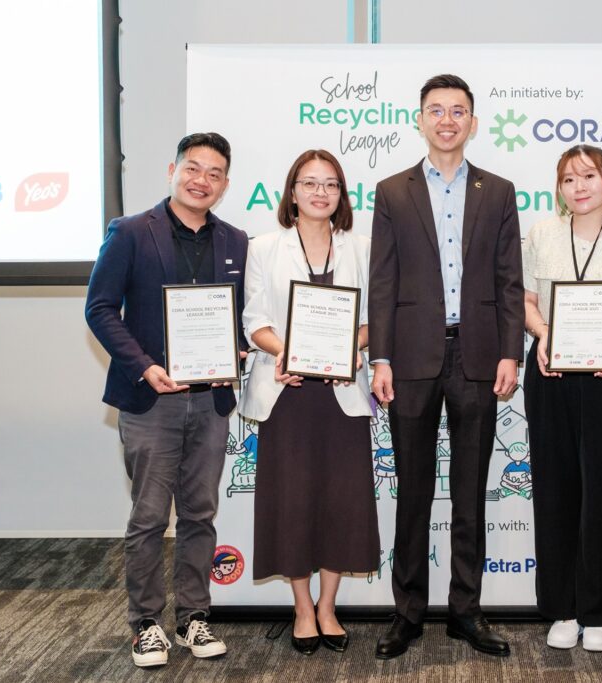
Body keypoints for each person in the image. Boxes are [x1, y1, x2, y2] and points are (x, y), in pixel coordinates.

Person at [368, 74, 524, 659]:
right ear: (420, 120)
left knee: (468, 495)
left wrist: (511, 351)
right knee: (412, 491)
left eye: (458, 110)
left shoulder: (499, 189)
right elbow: (382, 281)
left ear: (473, 122)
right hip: (409, 358)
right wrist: (378, 356)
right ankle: (407, 612)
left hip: (479, 356)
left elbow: (511, 281)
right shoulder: (393, 190)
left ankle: (466, 611)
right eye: (436, 109)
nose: (447, 119)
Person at [85, 132, 247, 668]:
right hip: (151, 399)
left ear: (224, 184)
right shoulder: (131, 232)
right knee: (150, 517)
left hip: (212, 400)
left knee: (200, 513)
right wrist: (145, 367)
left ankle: (194, 617)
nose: (202, 180)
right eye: (193, 168)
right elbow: (101, 309)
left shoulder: (236, 241)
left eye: (214, 173)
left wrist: (240, 348)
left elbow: (241, 316)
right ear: (172, 169)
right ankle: (146, 625)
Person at [238, 149, 379, 656]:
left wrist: (352, 346)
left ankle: (328, 606)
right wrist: (285, 352)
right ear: (291, 191)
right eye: (310, 183)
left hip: (341, 396)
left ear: (342, 195)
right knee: (292, 502)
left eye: (331, 185)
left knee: (342, 502)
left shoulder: (361, 247)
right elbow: (254, 319)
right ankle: (301, 608)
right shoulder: (265, 247)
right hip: (288, 394)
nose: (321, 193)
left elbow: (374, 320)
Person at [521, 145, 602, 652]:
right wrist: (543, 334)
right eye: (569, 178)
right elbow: (527, 302)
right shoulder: (540, 234)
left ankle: (600, 610)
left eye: (589, 176)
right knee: (555, 492)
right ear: (559, 187)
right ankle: (562, 608)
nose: (579, 186)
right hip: (551, 374)